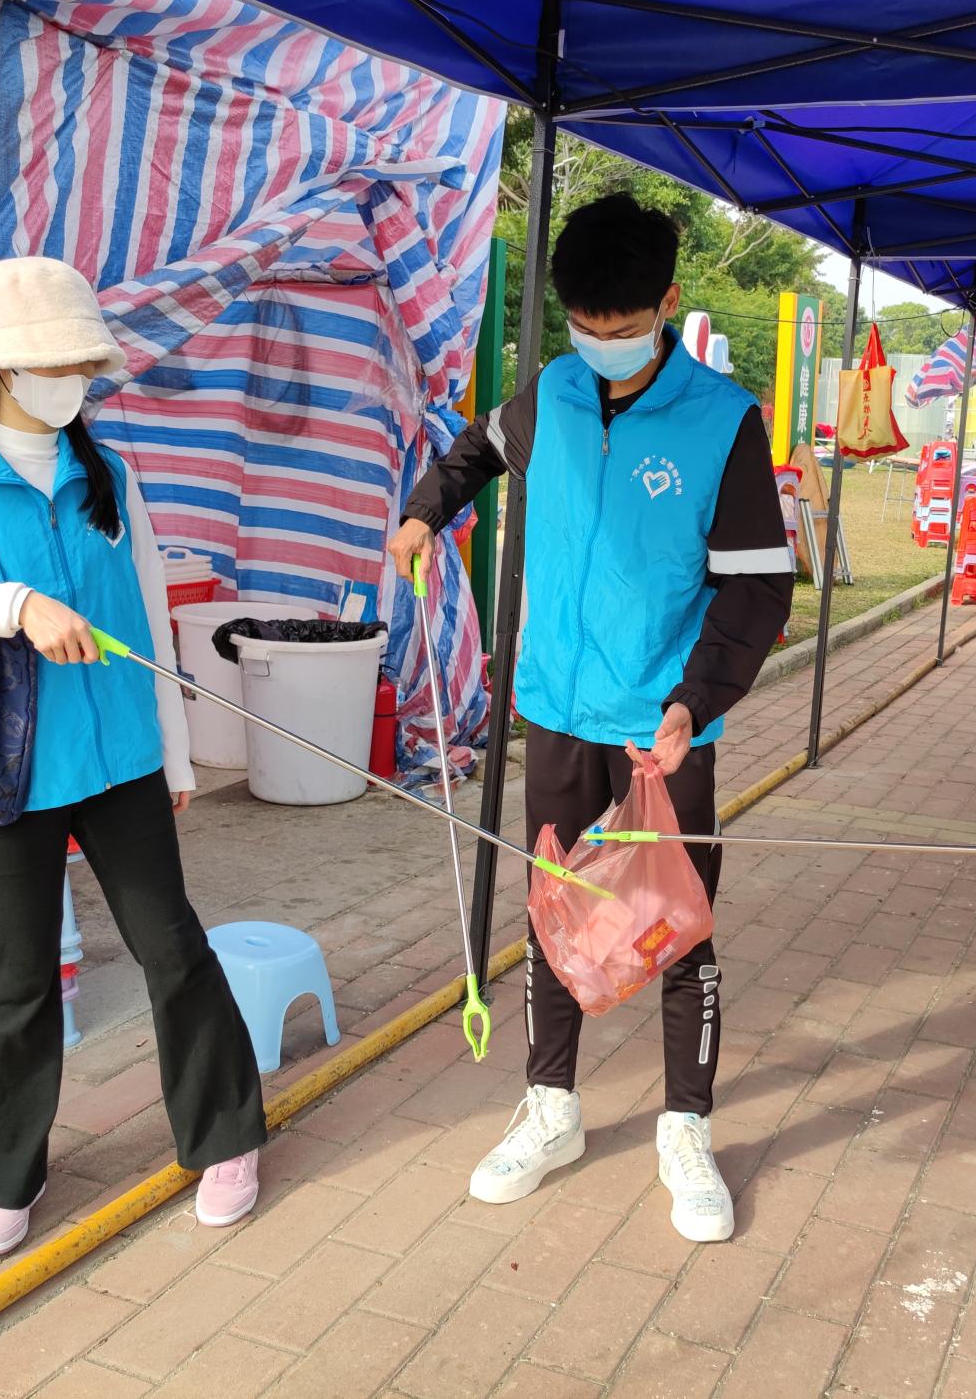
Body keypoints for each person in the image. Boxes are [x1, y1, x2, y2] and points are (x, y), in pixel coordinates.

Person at [388, 193, 793, 1242]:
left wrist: (693, 700)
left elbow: (758, 587)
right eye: (583, 326)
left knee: (676, 927)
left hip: (659, 729)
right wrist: (425, 511)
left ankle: (686, 1127)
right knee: (553, 910)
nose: (601, 346)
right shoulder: (552, 395)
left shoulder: (723, 422)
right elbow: (473, 452)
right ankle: (551, 1106)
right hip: (556, 712)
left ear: (667, 303)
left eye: (621, 328)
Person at [0, 257, 266, 1257]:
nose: (80, 378)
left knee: (174, 948)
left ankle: (225, 1137)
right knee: (19, 974)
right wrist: (13, 605)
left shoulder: (108, 473)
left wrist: (175, 758)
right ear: (5, 367)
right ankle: (6, 1177)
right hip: (4, 770)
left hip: (120, 760)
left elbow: (149, 621)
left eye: (86, 362)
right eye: (64, 361)